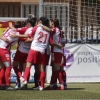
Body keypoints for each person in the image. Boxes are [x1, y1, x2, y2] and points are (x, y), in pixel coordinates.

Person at [18, 17, 50, 90]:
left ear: (40, 22)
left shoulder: (36, 28)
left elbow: (29, 35)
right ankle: (41, 86)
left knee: (28, 65)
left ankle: (25, 80)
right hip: (42, 50)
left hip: (34, 48)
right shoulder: (48, 31)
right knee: (41, 69)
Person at [0, 22, 21, 90]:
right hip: (4, 51)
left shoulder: (9, 30)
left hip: (0, 49)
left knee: (3, 67)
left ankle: (1, 84)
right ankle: (8, 85)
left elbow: (1, 35)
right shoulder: (17, 34)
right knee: (8, 67)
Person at [47, 18, 64, 90]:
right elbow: (63, 42)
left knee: (57, 68)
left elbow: (52, 43)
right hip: (59, 51)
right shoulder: (59, 30)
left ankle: (61, 85)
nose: (49, 24)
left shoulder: (54, 30)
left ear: (53, 23)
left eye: (50, 22)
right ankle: (51, 85)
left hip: (56, 51)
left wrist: (41, 26)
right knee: (54, 69)